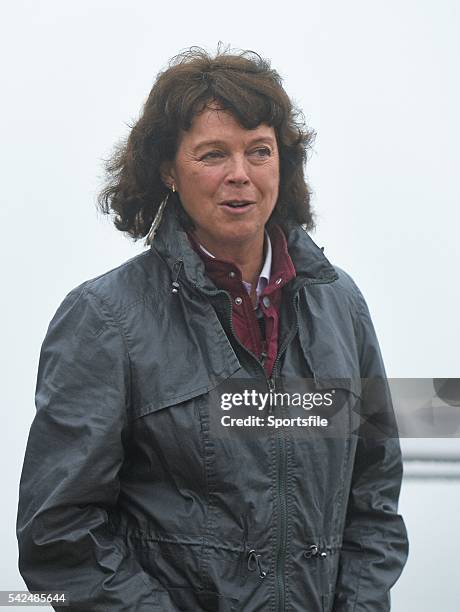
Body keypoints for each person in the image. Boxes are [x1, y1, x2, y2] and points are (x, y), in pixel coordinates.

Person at [17, 47, 408, 611]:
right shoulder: (104, 317)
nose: (240, 175)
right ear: (167, 171)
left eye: (259, 151)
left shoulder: (340, 305)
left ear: (282, 163)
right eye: (212, 154)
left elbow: (374, 498)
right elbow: (59, 533)